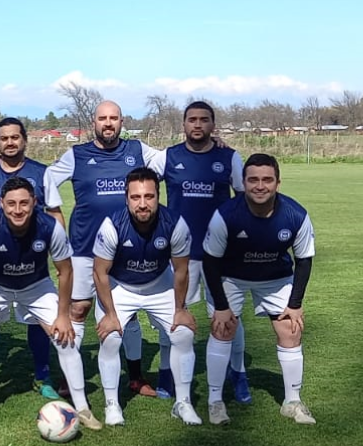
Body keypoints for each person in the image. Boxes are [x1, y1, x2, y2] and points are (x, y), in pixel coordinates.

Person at [0, 178, 96, 434]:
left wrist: (62, 315)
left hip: (36, 286)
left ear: (35, 203)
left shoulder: (50, 227)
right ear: (1, 204)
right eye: (11, 203)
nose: (18, 209)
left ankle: (82, 408)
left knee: (65, 338)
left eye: (24, 203)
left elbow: (65, 271)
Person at [44, 101, 165, 396]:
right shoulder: (77, 155)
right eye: (102, 118)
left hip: (128, 248)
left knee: (129, 312)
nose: (108, 123)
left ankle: (135, 377)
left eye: (114, 118)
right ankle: (69, 377)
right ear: (93, 122)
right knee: (79, 308)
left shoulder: (138, 151)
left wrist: (211, 144)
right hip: (85, 249)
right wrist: (55, 217)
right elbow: (46, 178)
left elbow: (173, 161)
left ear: (122, 121)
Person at [202, 153, 317, 425]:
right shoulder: (225, 215)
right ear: (243, 182)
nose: (260, 186)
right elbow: (210, 262)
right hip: (231, 276)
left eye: (267, 180)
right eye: (253, 180)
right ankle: (215, 401)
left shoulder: (296, 215)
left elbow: (304, 260)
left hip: (275, 277)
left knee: (291, 329)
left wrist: (295, 303)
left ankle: (292, 401)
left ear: (278, 182)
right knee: (223, 329)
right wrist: (220, 306)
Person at [92, 168, 201, 426]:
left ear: (158, 196)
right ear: (126, 198)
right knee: (110, 338)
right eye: (136, 197)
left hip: (159, 283)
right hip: (120, 286)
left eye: (149, 197)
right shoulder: (111, 226)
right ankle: (112, 404)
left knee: (183, 333)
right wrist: (110, 314)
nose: (143, 204)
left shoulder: (175, 224)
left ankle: (182, 402)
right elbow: (100, 272)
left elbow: (182, 270)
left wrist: (181, 308)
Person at [154, 102, 246, 400]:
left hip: (221, 255)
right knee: (173, 314)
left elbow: (245, 202)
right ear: (183, 124)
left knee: (229, 316)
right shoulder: (168, 157)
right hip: (180, 254)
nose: (197, 125)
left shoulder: (229, 157)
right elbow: (138, 182)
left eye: (204, 120)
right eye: (192, 119)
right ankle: (167, 373)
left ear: (213, 125)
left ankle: (239, 373)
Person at [0, 117, 56, 401]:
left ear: (24, 140)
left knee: (37, 319)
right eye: (4, 138)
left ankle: (42, 377)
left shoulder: (42, 173)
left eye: (15, 137)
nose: (10, 142)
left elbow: (54, 214)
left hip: (32, 263)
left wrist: (55, 245)